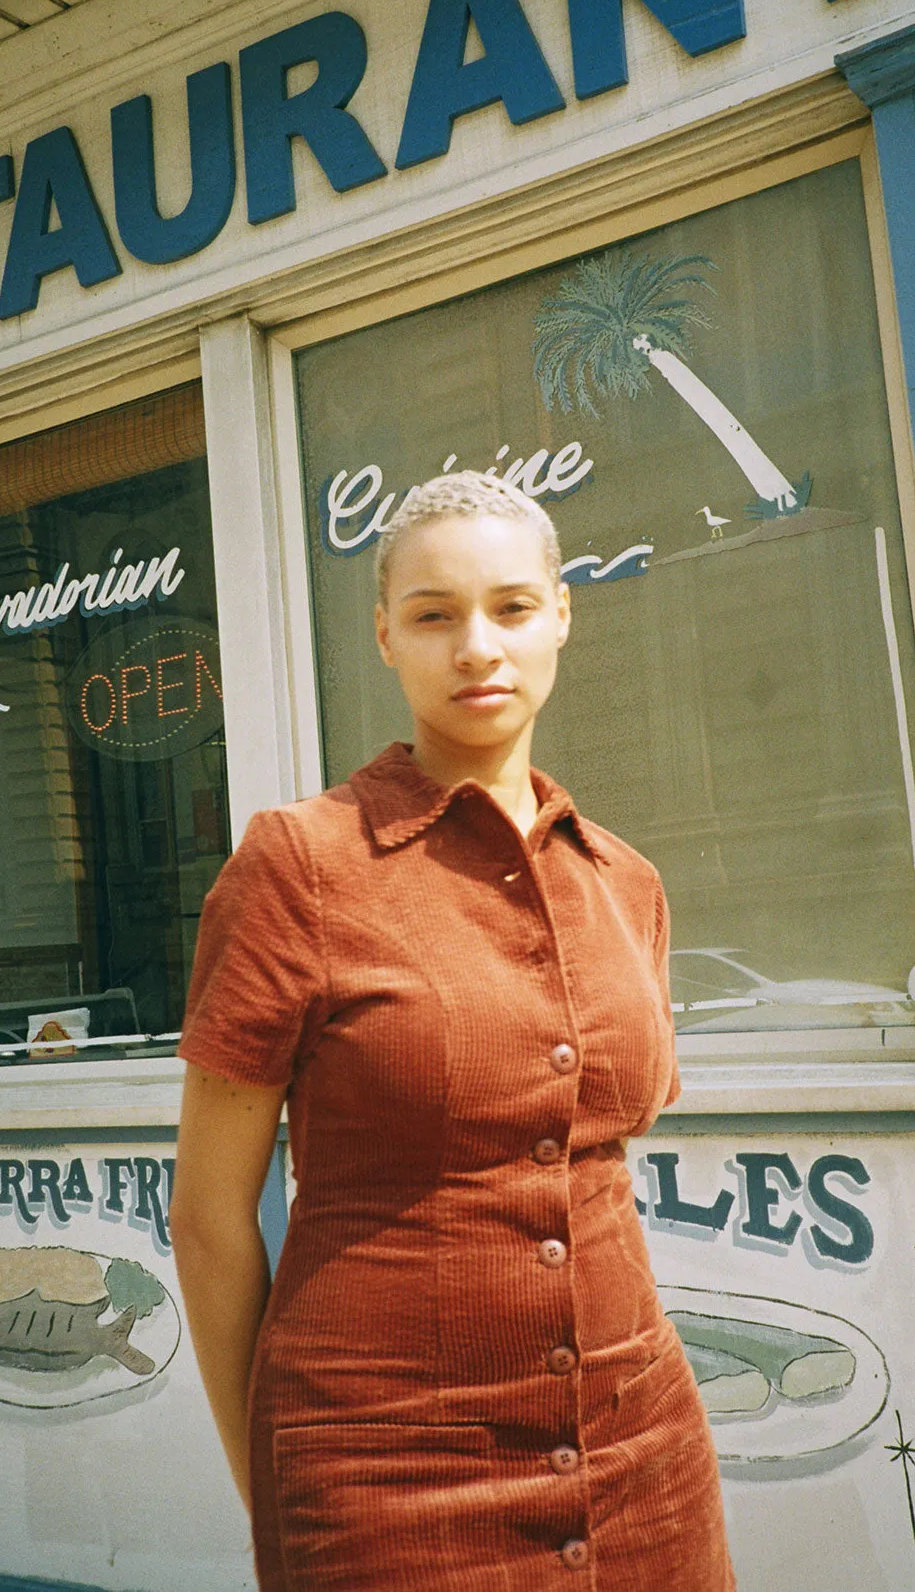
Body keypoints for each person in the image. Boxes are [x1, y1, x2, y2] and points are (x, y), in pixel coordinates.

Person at [169, 470, 736, 1590]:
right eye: (435, 615)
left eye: (513, 607)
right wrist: (283, 1485)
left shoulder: (627, 881)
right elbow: (207, 1216)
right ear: (386, 636)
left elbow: (596, 1172)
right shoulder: (301, 864)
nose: (477, 645)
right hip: (382, 1470)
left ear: (562, 614)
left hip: (640, 1452)